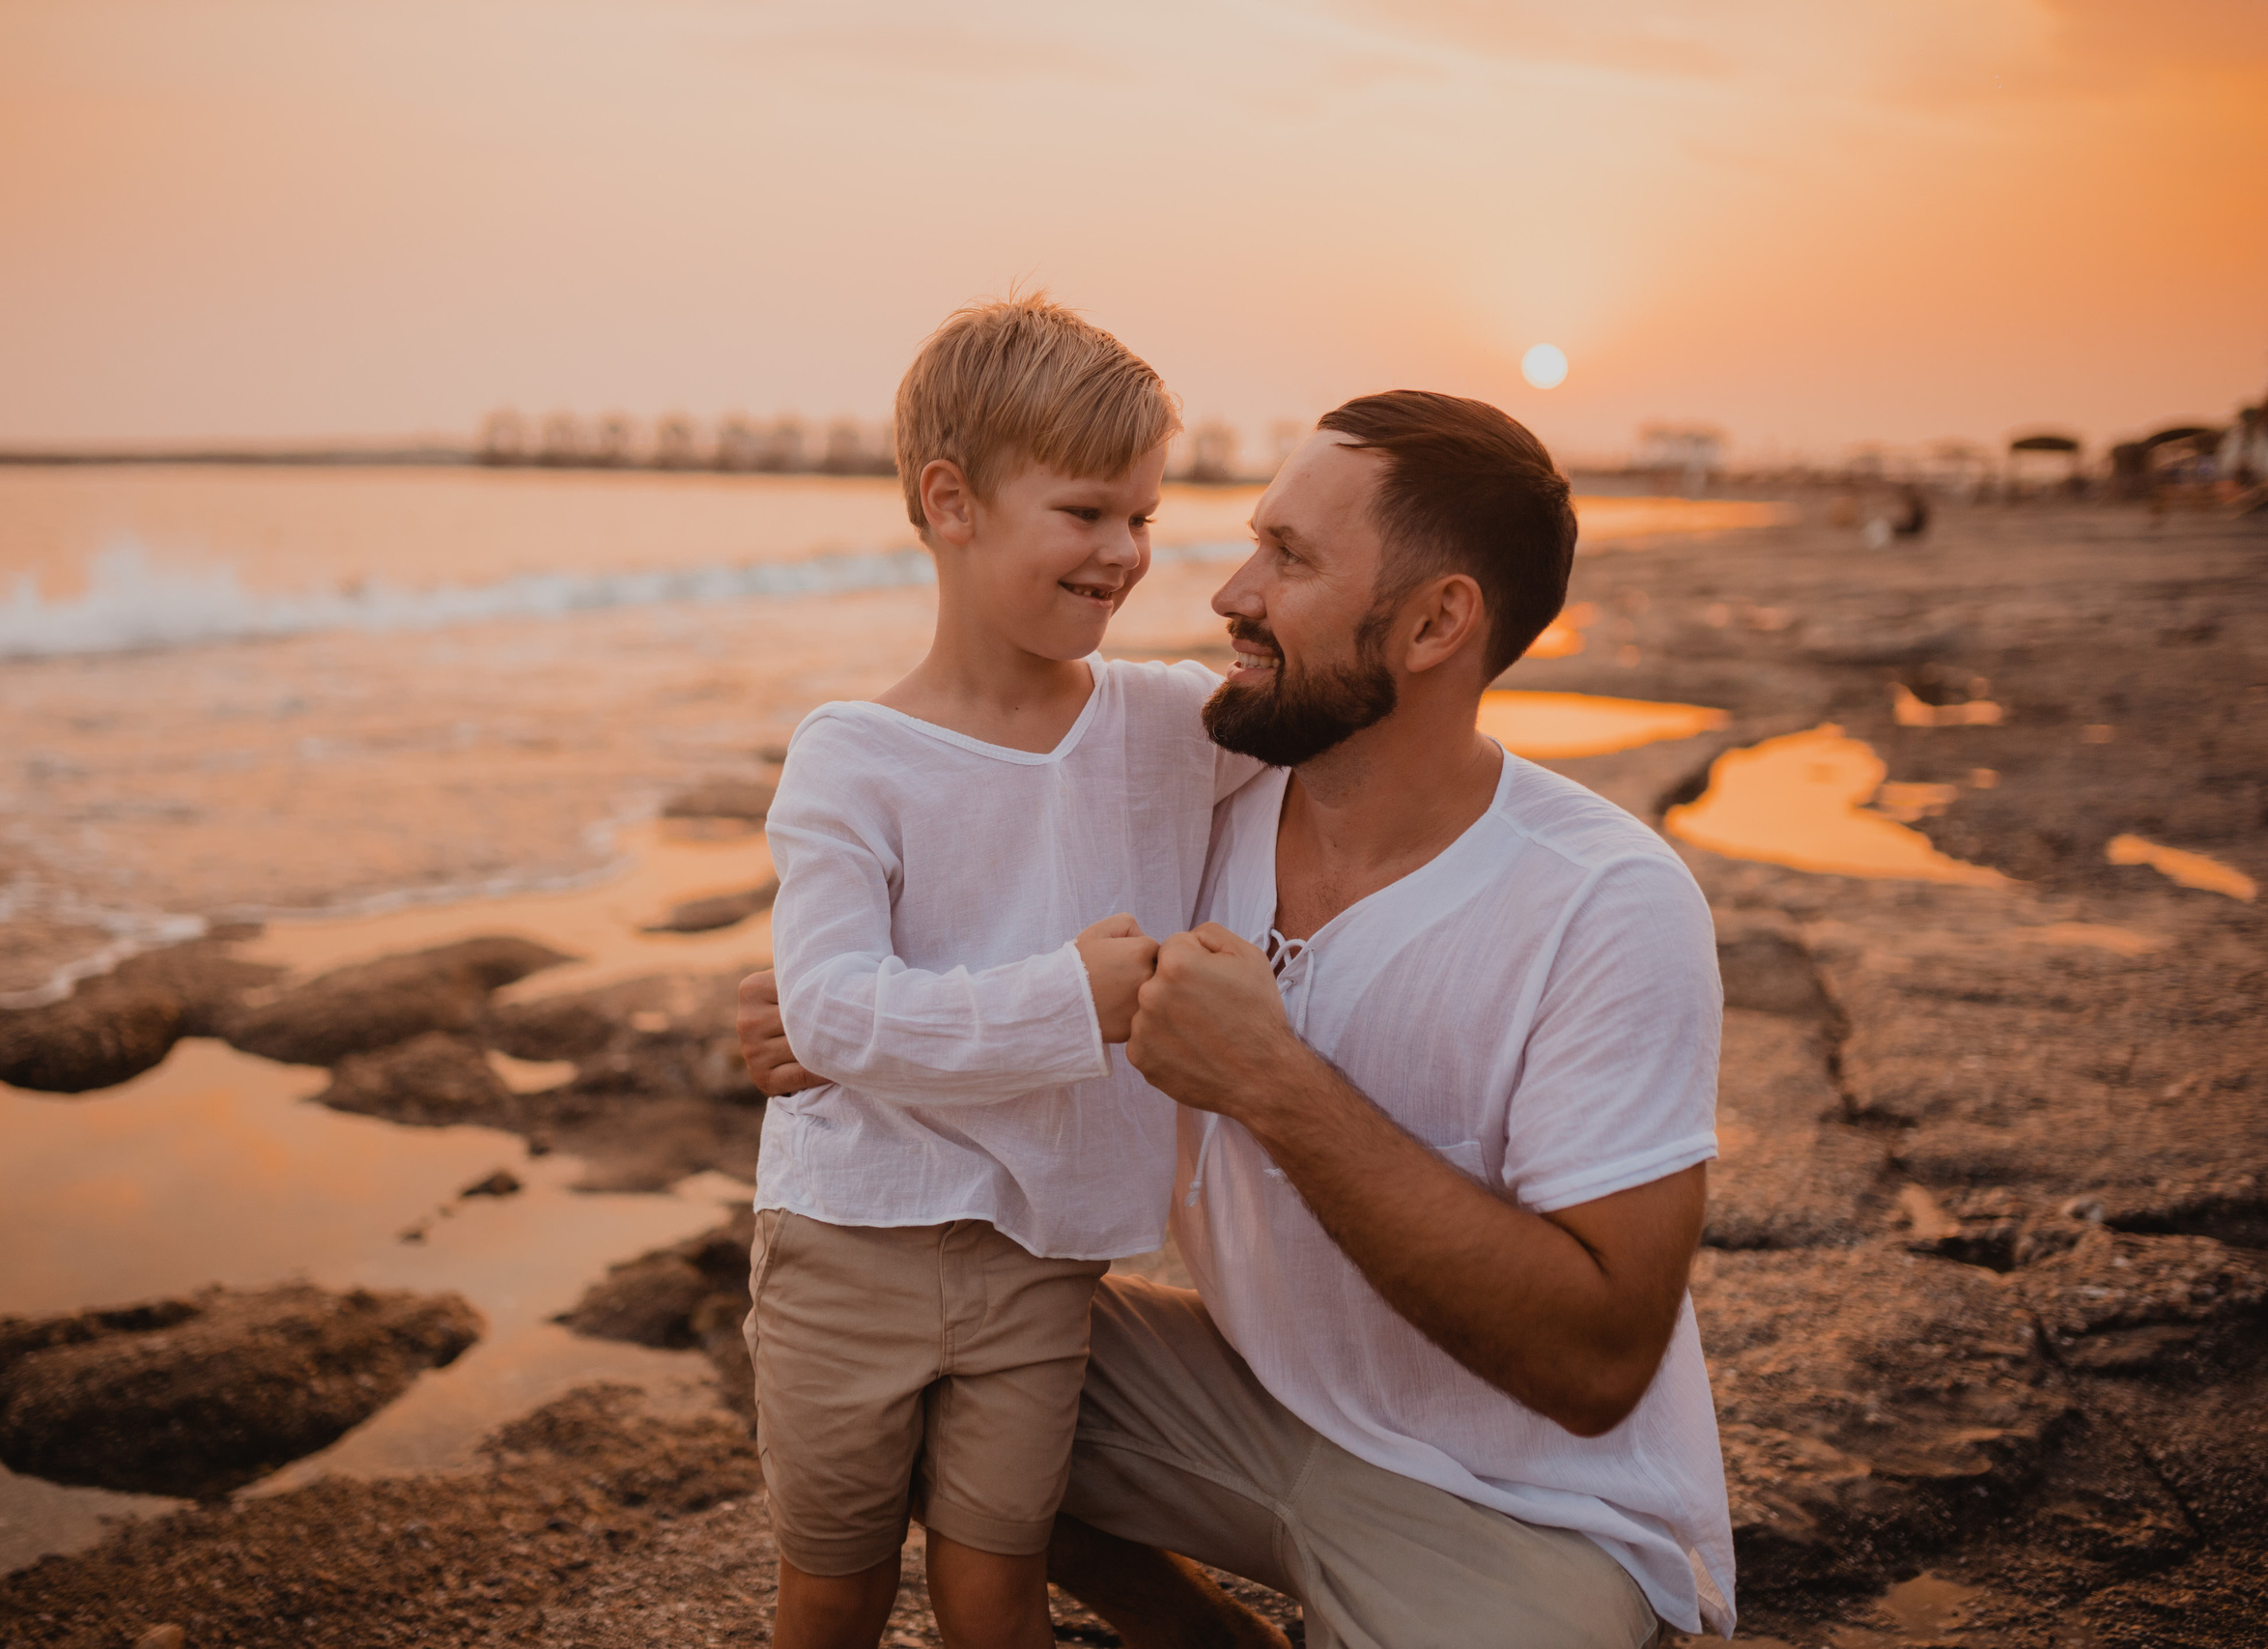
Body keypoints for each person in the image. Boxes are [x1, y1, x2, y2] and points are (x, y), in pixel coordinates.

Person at [742, 390, 1734, 1647]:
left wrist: (1274, 1082)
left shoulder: (1605, 902)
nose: (1227, 590)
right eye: (1253, 539)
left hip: (1524, 1503)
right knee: (918, 1372)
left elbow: (1598, 1365)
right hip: (1245, 1404)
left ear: (1437, 622)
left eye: (1291, 558)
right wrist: (815, 1003)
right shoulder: (1188, 802)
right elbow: (970, 888)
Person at [748, 293, 1255, 1649]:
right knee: (835, 1591)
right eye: (1087, 513)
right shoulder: (852, 754)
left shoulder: (1170, 724)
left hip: (1045, 1256)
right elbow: (832, 1009)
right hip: (851, 1236)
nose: (1128, 552)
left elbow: (1337, 733)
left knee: (994, 1591)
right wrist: (1066, 1002)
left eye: (1144, 517)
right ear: (951, 501)